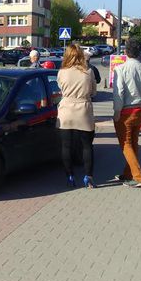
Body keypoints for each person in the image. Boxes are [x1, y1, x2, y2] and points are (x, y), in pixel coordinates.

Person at [113, 38, 141, 188]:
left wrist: (117, 111)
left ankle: (138, 177)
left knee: (126, 145)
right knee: (133, 143)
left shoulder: (120, 69)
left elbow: (118, 93)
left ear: (126, 52)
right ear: (139, 52)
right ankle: (128, 173)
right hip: (139, 110)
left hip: (125, 111)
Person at [56, 44, 97, 189]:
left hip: (66, 110)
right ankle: (88, 177)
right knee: (87, 146)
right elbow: (93, 92)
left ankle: (70, 176)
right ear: (80, 55)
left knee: (66, 146)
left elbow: (61, 88)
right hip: (83, 110)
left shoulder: (62, 72)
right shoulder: (88, 72)